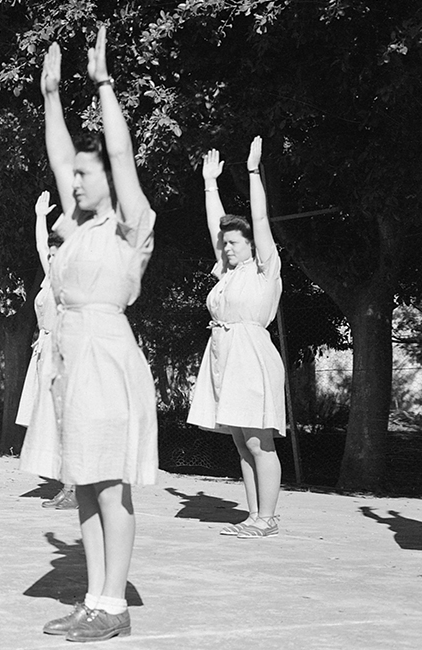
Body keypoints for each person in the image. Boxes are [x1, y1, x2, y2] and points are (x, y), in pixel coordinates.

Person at [37, 27, 158, 642]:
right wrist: (53, 96)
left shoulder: (129, 228)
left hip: (109, 357)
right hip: (72, 355)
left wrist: (104, 84)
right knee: (84, 484)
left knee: (110, 483)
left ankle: (115, 604)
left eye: (89, 175)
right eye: (76, 177)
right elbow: (63, 159)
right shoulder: (78, 230)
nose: (78, 182)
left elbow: (121, 157)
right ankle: (93, 597)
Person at [187, 137, 286, 538]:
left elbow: (259, 222)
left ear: (251, 247)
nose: (226, 248)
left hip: (251, 355)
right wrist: (210, 184)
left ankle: (267, 518)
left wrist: (251, 171)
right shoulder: (226, 273)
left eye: (234, 243)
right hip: (224, 355)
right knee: (243, 443)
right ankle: (255, 516)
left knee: (260, 442)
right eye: (225, 244)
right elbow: (217, 227)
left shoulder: (264, 269)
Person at [17, 191, 76, 510]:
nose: (50, 259)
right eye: (50, 256)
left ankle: (74, 486)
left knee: (66, 417)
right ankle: (66, 482)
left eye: (57, 255)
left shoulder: (71, 280)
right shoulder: (50, 280)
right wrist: (40, 216)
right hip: (46, 351)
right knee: (51, 419)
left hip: (64, 351)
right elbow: (42, 246)